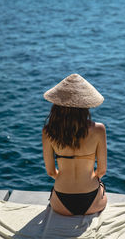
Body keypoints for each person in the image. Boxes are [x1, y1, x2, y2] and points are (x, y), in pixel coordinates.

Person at [42, 74, 107, 216]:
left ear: (57, 106)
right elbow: (101, 171)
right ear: (85, 106)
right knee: (100, 186)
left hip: (61, 202)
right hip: (92, 201)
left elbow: (51, 172)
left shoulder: (48, 131)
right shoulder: (99, 129)